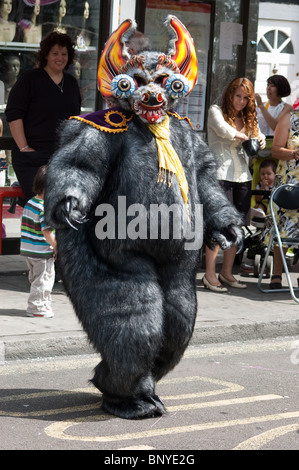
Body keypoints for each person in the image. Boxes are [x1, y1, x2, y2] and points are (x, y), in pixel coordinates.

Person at [202, 77, 266, 292]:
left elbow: (258, 135)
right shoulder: (215, 110)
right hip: (220, 175)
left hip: (243, 178)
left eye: (245, 98)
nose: (241, 101)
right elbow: (222, 130)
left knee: (236, 227)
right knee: (218, 226)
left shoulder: (248, 117)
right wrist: (244, 136)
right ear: (230, 94)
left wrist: (261, 139)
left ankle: (227, 273)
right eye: (238, 95)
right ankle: (209, 275)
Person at [5, 31, 81, 204]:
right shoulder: (29, 79)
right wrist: (23, 147)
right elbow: (14, 114)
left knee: (64, 207)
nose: (59, 58)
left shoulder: (71, 83)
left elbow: (75, 120)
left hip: (62, 157)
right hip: (32, 157)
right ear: (46, 54)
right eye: (55, 53)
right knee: (41, 206)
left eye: (64, 54)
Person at [263, 111, 299, 289]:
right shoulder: (289, 118)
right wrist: (294, 153)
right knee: (283, 230)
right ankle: (276, 273)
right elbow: (275, 150)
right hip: (288, 184)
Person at [20, 165, 57, 318]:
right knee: (44, 280)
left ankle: (44, 302)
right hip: (42, 251)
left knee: (37, 279)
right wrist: (56, 245)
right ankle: (36, 307)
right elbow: (47, 231)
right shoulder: (45, 208)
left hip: (29, 251)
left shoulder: (30, 202)